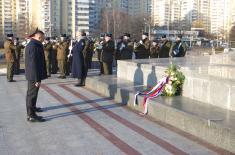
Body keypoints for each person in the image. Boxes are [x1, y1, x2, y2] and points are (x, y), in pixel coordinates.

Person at [25, 29, 47, 122]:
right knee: (32, 95)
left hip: (34, 75)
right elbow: (33, 64)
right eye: (43, 38)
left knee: (32, 94)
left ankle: (32, 109)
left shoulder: (35, 44)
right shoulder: (33, 46)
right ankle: (31, 115)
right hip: (34, 75)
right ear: (39, 37)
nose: (44, 39)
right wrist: (37, 79)